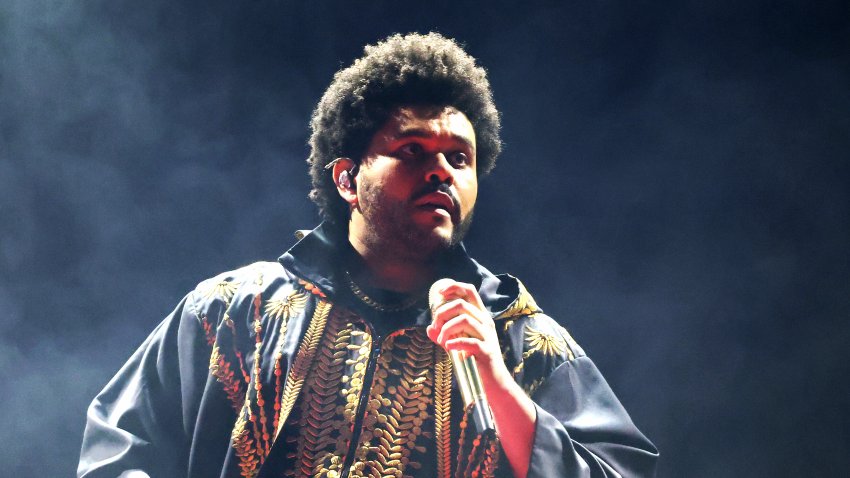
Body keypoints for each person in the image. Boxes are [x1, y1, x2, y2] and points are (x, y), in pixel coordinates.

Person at [78, 32, 658, 478]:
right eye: (412, 149)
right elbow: (120, 450)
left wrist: (498, 385)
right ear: (348, 179)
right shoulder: (233, 311)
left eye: (461, 158)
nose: (441, 170)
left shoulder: (523, 340)